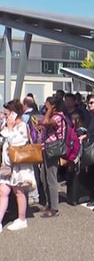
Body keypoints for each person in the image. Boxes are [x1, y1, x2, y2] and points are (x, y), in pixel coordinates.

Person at [0, 99, 36, 232]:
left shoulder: (22, 126)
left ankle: (22, 219)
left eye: (7, 114)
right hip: (7, 165)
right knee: (3, 191)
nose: (5, 116)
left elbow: (16, 143)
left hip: (20, 165)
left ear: (14, 114)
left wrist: (9, 129)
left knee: (19, 192)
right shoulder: (9, 126)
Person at [40, 96, 66, 218]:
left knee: (51, 178)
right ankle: (48, 203)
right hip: (46, 148)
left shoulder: (58, 117)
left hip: (52, 150)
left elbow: (45, 122)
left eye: (47, 104)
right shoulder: (52, 116)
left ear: (53, 106)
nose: (45, 106)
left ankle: (54, 208)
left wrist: (49, 110)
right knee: (44, 177)